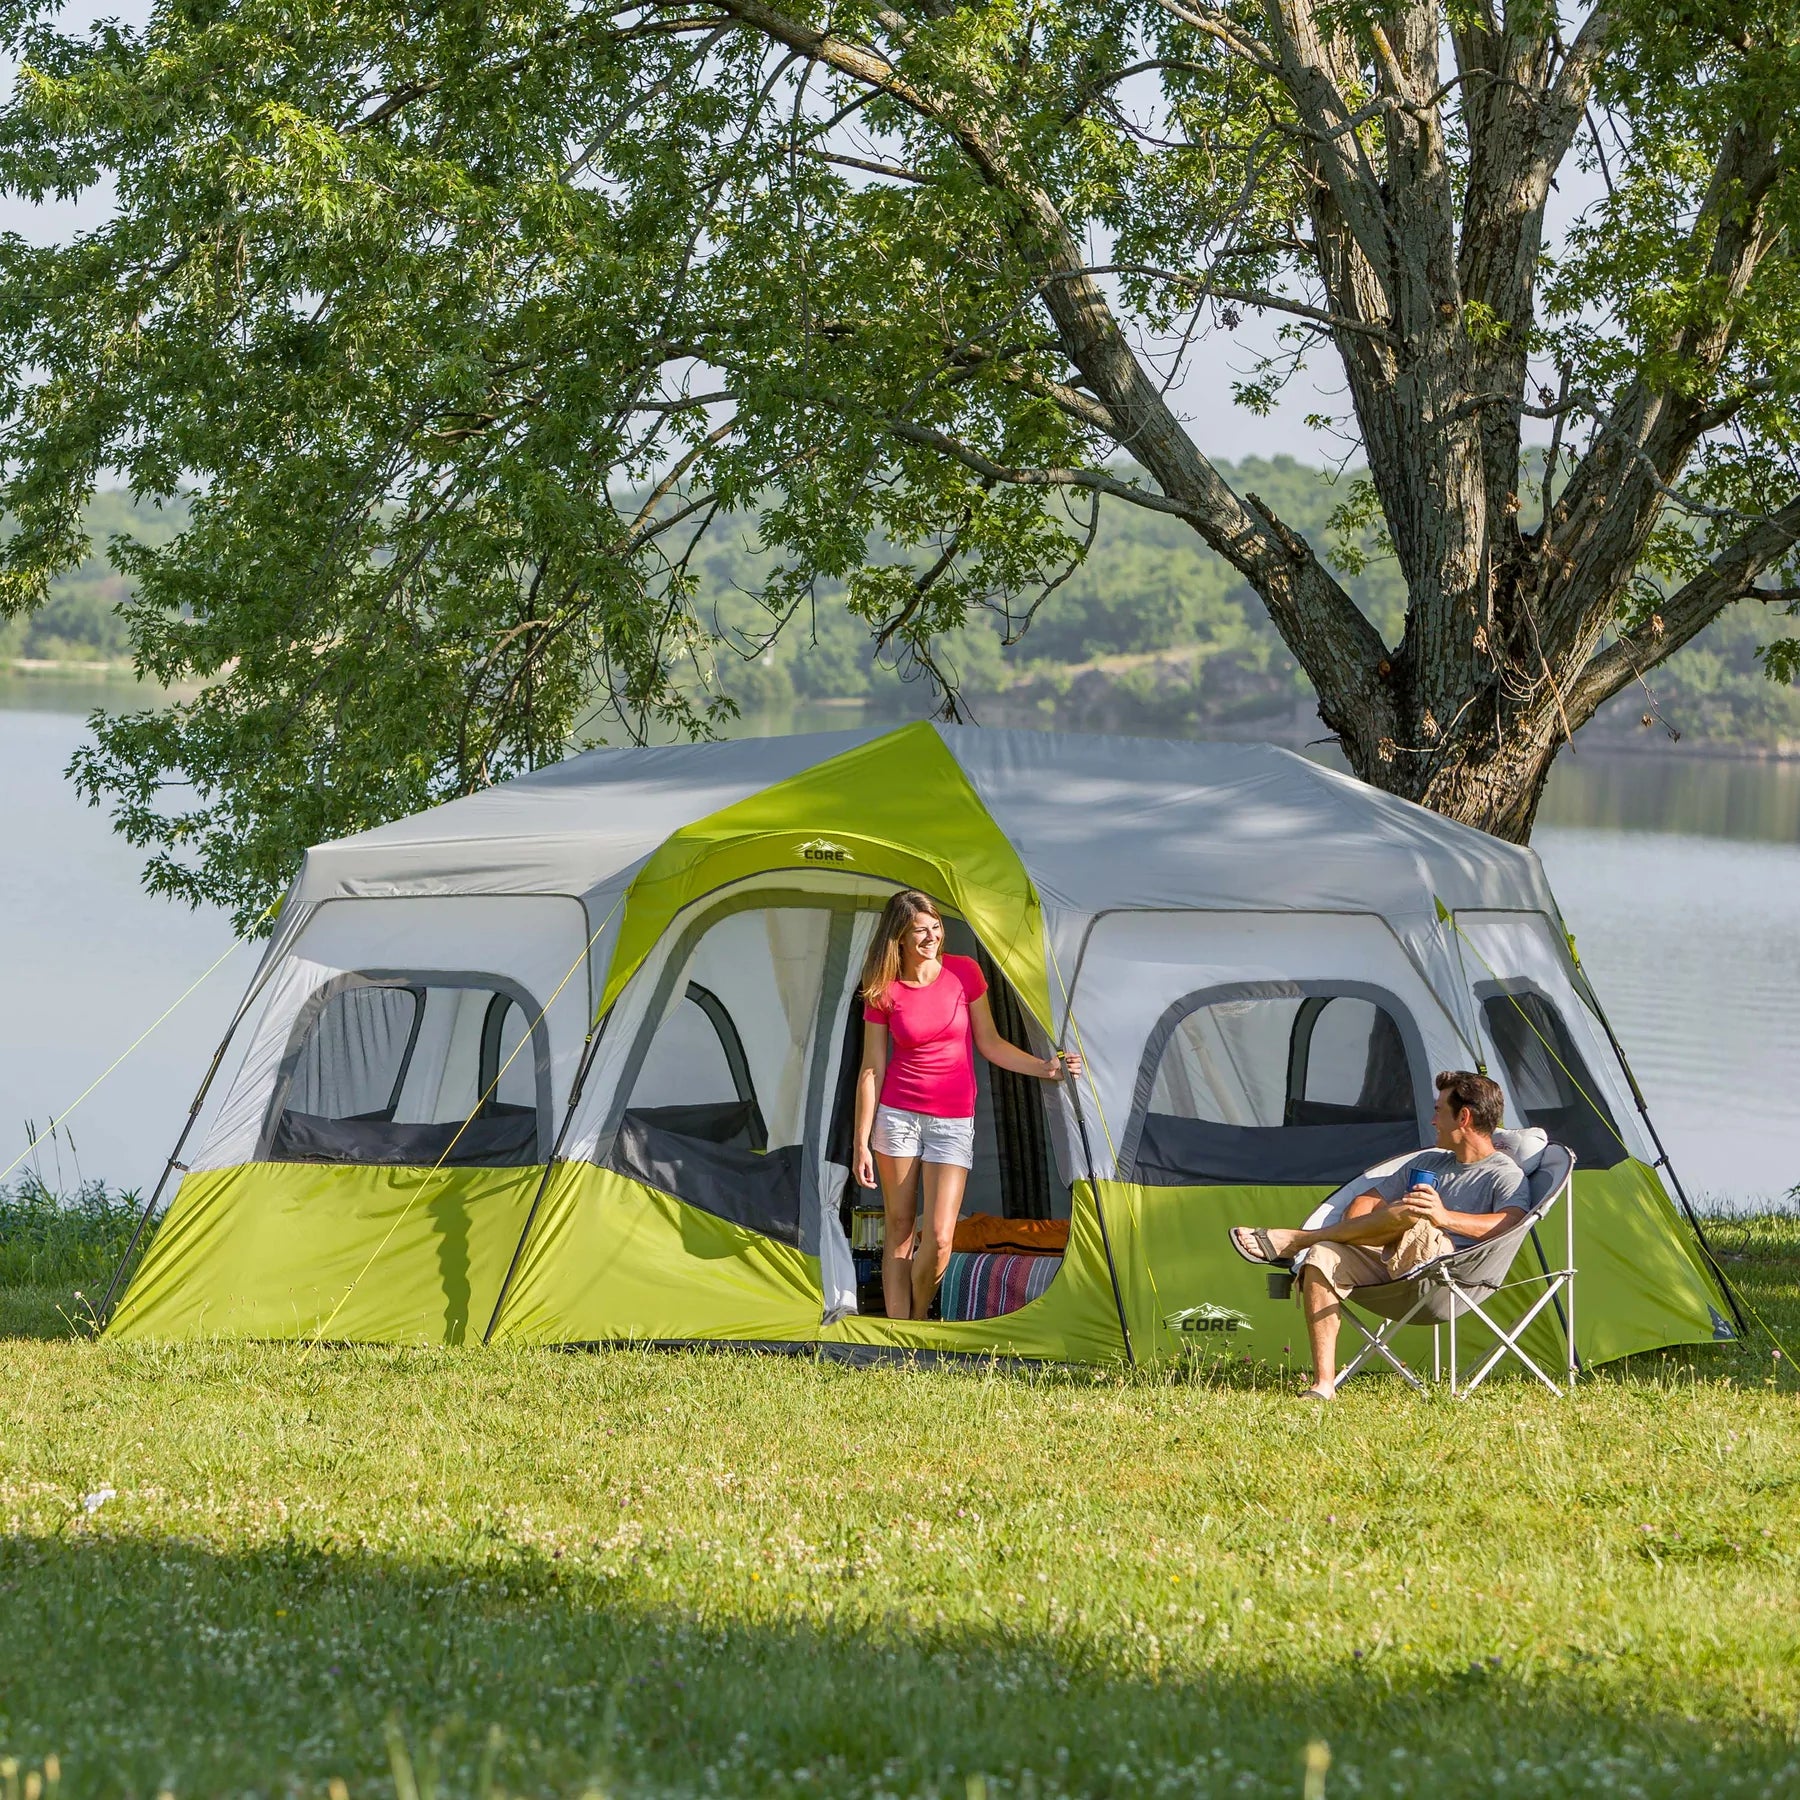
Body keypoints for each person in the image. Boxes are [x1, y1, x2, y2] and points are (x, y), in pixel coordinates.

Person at [1229, 1070, 1528, 1400]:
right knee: (1323, 1256)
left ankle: (1299, 1239)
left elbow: (1510, 1224)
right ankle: (1324, 1385)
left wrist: (1441, 1216)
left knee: (1413, 1210)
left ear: (1464, 1116)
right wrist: (1366, 1232)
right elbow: (1365, 1200)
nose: (1432, 1120)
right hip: (1392, 1265)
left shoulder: (1504, 1173)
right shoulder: (1430, 1161)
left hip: (1446, 1278)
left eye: (1439, 1110)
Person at [852, 889, 1080, 1320]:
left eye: (935, 927)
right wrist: (860, 1142)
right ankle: (902, 1335)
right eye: (920, 931)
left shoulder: (965, 973)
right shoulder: (884, 988)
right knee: (899, 1230)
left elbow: (990, 1044)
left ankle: (919, 1317)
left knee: (939, 1237)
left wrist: (1045, 1068)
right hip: (897, 1118)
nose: (932, 937)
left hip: (952, 1121)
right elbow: (870, 1070)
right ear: (899, 937)